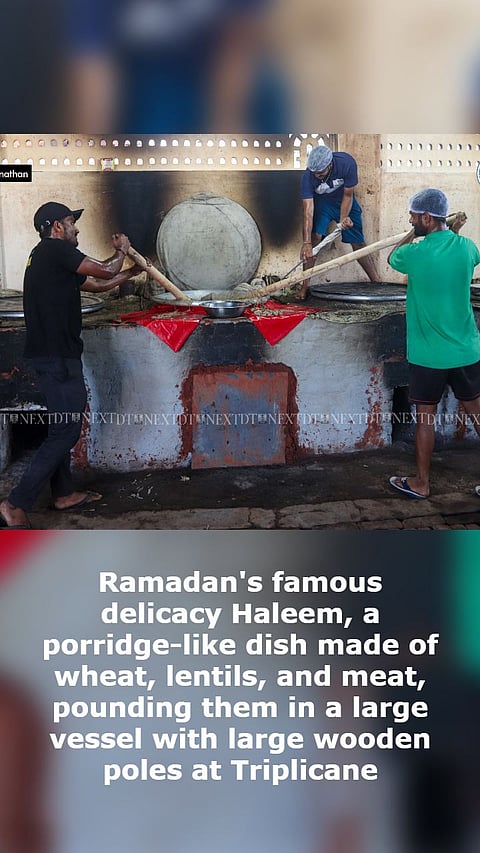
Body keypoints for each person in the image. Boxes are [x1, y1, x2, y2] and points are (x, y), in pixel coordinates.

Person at [0, 202, 138, 529]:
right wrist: (123, 250)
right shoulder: (53, 250)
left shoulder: (48, 260)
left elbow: (98, 285)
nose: (76, 228)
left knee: (60, 425)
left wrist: (134, 271)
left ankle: (63, 494)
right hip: (57, 358)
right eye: (70, 222)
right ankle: (15, 502)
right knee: (67, 429)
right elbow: (104, 270)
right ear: (56, 227)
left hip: (53, 356)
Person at [388, 188, 480, 499]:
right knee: (477, 414)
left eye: (414, 216)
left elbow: (392, 257)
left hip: (428, 355)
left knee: (424, 418)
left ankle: (421, 484)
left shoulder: (415, 253)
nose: (411, 220)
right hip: (466, 350)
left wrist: (408, 235)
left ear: (427, 217)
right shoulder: (467, 247)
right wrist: (452, 231)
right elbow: (459, 253)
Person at [298, 143, 381, 299]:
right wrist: (306, 242)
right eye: (314, 173)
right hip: (322, 204)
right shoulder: (307, 177)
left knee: (358, 242)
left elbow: (348, 195)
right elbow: (308, 210)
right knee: (315, 239)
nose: (317, 176)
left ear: (330, 165)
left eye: (320, 174)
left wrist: (343, 218)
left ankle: (376, 281)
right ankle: (304, 286)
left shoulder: (346, 163)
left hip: (345, 201)